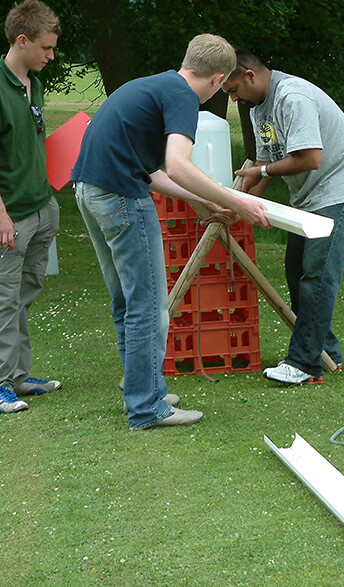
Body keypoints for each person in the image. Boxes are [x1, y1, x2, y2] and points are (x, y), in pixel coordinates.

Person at [72, 34, 270, 430]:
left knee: (128, 301)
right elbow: (178, 164)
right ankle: (147, 407)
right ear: (217, 79)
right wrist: (238, 202)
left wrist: (203, 202)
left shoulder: (151, 86)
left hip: (88, 190)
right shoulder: (182, 97)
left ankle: (141, 387)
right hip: (122, 198)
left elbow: (154, 171)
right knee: (148, 305)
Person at [221, 48, 344, 385]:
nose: (234, 100)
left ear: (249, 75)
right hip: (309, 194)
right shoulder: (257, 108)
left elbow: (309, 158)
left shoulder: (293, 98)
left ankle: (305, 364)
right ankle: (325, 351)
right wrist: (239, 207)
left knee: (318, 274)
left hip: (341, 186)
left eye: (233, 91)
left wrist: (260, 170)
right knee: (296, 270)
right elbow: (262, 170)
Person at [0, 0, 62, 414]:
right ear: (22, 41)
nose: (51, 56)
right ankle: (1, 383)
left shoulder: (33, 83)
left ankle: (19, 377)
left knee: (24, 295)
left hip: (43, 206)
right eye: (46, 48)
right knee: (3, 300)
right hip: (11, 215)